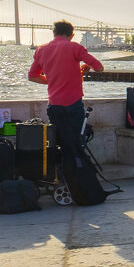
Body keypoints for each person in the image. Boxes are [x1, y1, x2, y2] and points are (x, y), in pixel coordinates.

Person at [27, 20, 104, 164]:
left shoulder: (41, 50)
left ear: (53, 33)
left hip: (54, 105)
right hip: (73, 105)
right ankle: (79, 173)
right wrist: (86, 65)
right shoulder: (75, 47)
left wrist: (51, 80)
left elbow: (32, 76)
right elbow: (99, 67)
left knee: (58, 142)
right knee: (77, 142)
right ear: (72, 35)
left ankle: (63, 175)